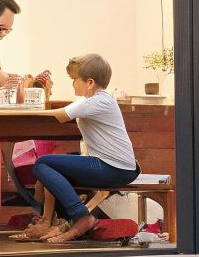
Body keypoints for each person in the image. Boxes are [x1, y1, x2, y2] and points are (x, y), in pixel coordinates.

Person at [14, 53, 139, 244]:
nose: (72, 84)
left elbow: (62, 116)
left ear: (89, 82)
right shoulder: (88, 101)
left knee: (42, 164)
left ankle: (82, 217)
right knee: (51, 166)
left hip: (115, 168)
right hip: (108, 165)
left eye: (74, 80)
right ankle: (47, 221)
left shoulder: (101, 100)